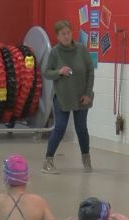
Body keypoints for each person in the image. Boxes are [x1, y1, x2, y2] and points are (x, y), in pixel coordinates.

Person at [42, 19, 95, 174]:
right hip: (62, 97)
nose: (66, 36)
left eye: (68, 33)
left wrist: (88, 93)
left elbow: (90, 72)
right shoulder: (55, 52)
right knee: (60, 128)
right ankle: (48, 161)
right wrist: (59, 72)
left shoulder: (81, 50)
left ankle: (86, 158)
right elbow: (46, 72)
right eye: (63, 34)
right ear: (57, 37)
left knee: (81, 129)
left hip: (81, 96)